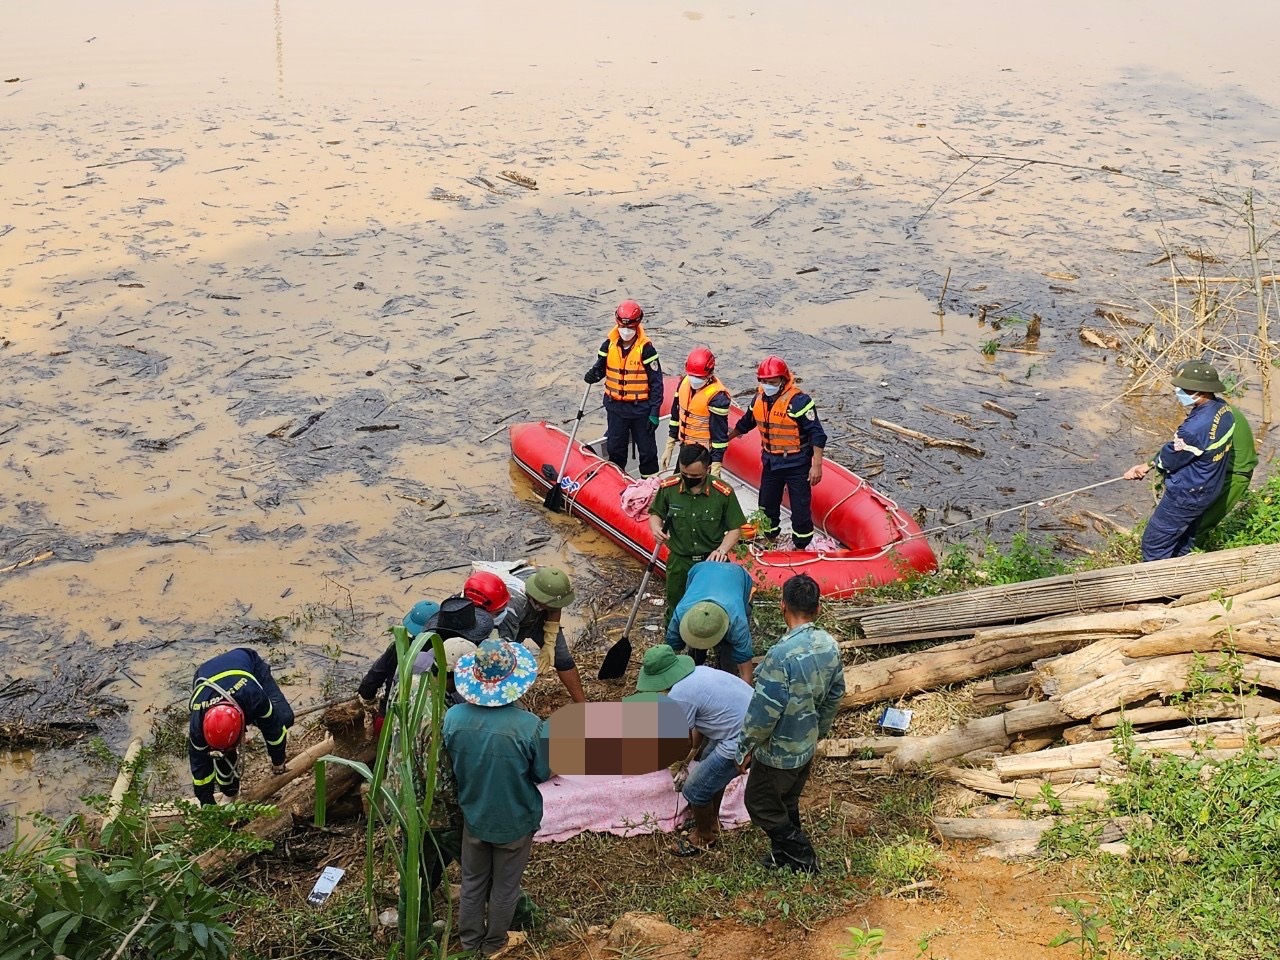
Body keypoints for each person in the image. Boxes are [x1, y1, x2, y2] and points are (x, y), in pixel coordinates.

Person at [443, 639, 551, 958]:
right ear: (514, 682)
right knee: (505, 886)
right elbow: (541, 774)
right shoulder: (530, 726)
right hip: (515, 821)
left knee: (473, 882)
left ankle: (469, 944)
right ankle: (493, 944)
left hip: (474, 817)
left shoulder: (453, 719)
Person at [735, 574, 844, 873]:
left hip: (778, 751)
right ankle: (783, 857)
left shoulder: (780, 656)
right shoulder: (829, 645)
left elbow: (763, 711)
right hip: (806, 743)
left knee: (759, 804)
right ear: (817, 608)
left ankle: (802, 856)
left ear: (782, 606)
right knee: (787, 800)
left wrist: (745, 747)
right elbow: (836, 693)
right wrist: (818, 729)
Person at [635, 645, 753, 857]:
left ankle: (704, 836)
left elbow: (684, 742)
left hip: (741, 738)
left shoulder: (680, 694)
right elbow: (697, 728)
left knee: (695, 789)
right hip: (747, 724)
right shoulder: (697, 673)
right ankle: (712, 821)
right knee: (708, 767)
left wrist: (677, 762)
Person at [1124, 359, 1235, 561]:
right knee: (1184, 540)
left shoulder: (1194, 429)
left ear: (1199, 392)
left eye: (1182, 389)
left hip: (1186, 495)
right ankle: (1180, 580)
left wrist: (1147, 466)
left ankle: (1158, 589)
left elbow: (1171, 458)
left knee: (1154, 545)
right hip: (1208, 488)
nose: (1178, 393)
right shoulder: (1223, 409)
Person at [726, 356, 827, 549]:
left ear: (783, 379)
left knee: (800, 507)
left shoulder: (799, 402)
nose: (767, 386)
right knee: (767, 502)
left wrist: (817, 465)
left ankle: (801, 544)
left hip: (796, 463)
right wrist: (724, 440)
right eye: (764, 382)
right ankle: (769, 535)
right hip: (771, 461)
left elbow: (818, 435)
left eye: (772, 382)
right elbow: (745, 424)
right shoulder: (758, 399)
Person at [649, 443, 746, 626]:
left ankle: (712, 648)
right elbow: (656, 513)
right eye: (685, 474)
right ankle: (674, 648)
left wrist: (722, 550)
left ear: (707, 469)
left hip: (711, 561)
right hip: (680, 561)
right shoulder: (669, 487)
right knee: (676, 607)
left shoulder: (722, 492)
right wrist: (655, 528)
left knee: (714, 609)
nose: (688, 479)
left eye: (695, 476)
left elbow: (735, 528)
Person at [188, 647, 295, 806]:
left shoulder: (254, 696)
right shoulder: (198, 725)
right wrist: (208, 806)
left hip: (248, 663)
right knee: (221, 755)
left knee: (283, 718)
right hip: (204, 674)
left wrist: (278, 763)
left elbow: (273, 731)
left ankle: (276, 762)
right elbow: (200, 771)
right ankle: (230, 792)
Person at [358, 596, 493, 721]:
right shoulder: (458, 662)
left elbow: (374, 677)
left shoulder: (403, 651)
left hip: (393, 719)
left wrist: (369, 700)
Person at [467, 567, 587, 704]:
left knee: (563, 658)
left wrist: (550, 640)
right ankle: (506, 703)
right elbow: (503, 650)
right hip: (517, 623)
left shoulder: (549, 584)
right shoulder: (512, 608)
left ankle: (582, 705)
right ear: (538, 597)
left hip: (539, 617)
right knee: (507, 663)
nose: (557, 606)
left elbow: (555, 607)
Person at [583, 299, 663, 478]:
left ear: (637, 325)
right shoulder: (608, 346)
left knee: (647, 451)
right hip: (616, 408)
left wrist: (654, 412)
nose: (626, 331)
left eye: (630, 327)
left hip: (641, 409)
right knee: (615, 449)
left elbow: (656, 383)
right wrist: (593, 375)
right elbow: (601, 368)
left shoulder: (647, 350)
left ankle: (649, 487)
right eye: (622, 326)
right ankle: (618, 483)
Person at [664, 560, 755, 683]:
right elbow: (671, 656)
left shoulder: (737, 622)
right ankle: (696, 660)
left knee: (728, 661)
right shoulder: (681, 613)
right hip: (700, 570)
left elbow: (745, 669)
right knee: (695, 656)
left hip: (737, 575)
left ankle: (726, 673)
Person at [663, 346, 732, 476]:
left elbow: (719, 437)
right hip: (686, 448)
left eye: (699, 377)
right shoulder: (684, 383)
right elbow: (675, 417)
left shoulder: (717, 397)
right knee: (678, 483)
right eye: (692, 376)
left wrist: (716, 467)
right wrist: (669, 446)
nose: (695, 380)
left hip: (703, 454)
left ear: (710, 374)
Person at [1197, 400, 1257, 534]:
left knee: (1201, 525)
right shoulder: (1220, 408)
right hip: (1226, 471)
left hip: (1236, 476)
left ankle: (1192, 554)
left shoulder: (1215, 415)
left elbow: (1194, 446)